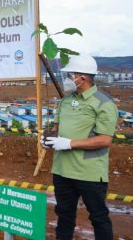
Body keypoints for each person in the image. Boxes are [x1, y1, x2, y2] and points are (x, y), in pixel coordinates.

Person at [42, 54, 118, 240]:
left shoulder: (104, 103)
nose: (66, 79)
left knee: (98, 217)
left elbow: (104, 139)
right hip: (62, 170)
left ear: (82, 78)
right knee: (64, 215)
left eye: (69, 75)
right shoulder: (66, 101)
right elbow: (56, 129)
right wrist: (49, 139)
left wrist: (69, 143)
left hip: (88, 172)